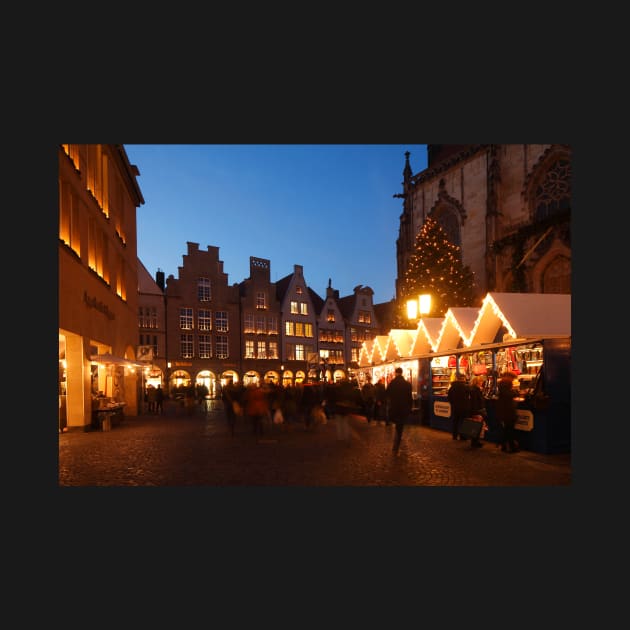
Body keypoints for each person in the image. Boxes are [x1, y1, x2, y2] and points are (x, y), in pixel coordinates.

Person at [385, 367, 413, 455]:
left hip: (394, 408)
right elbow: (409, 398)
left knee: (398, 425)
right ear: (402, 373)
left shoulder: (392, 383)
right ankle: (397, 444)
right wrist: (410, 407)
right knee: (400, 426)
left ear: (396, 373)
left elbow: (387, 394)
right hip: (404, 408)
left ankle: (396, 446)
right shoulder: (407, 384)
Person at [496, 372, 520, 453]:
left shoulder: (502, 385)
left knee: (507, 429)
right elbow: (509, 395)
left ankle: (504, 446)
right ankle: (511, 447)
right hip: (508, 412)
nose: (513, 381)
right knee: (509, 430)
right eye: (513, 379)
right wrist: (516, 392)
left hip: (504, 411)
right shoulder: (506, 385)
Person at [447, 373, 470, 441]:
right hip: (463, 407)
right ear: (463, 379)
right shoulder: (465, 387)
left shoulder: (452, 387)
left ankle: (454, 436)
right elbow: (469, 396)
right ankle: (463, 437)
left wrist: (453, 403)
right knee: (463, 422)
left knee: (455, 422)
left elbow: (449, 397)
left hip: (455, 407)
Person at [468, 376, 486, 448]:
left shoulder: (473, 389)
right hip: (477, 411)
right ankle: (475, 442)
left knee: (475, 427)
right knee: (477, 427)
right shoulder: (475, 390)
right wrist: (477, 413)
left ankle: (475, 442)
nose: (482, 383)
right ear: (477, 382)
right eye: (481, 381)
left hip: (475, 411)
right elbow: (475, 402)